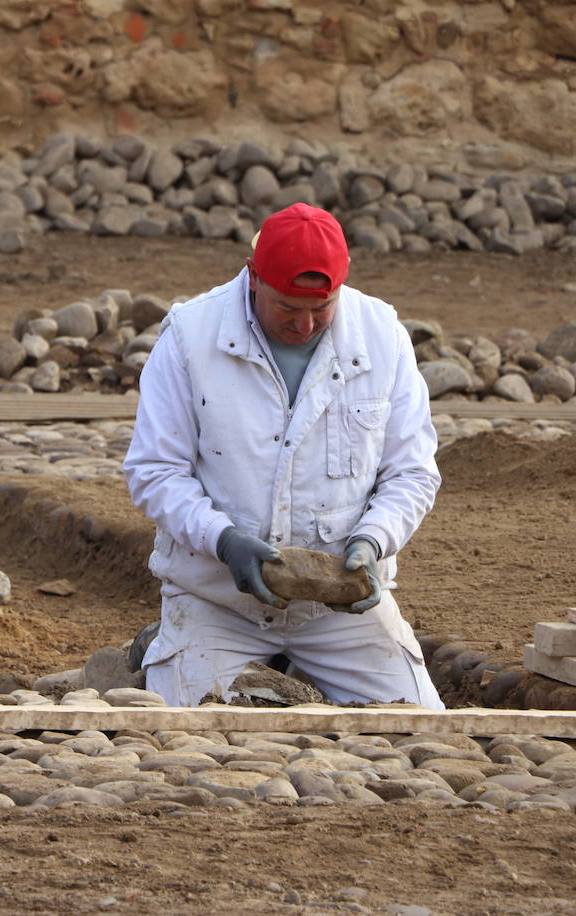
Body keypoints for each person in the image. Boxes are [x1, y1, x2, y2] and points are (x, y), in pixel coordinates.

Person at [122, 203, 443, 709]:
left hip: (340, 612)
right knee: (183, 735)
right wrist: (224, 542)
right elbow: (155, 471)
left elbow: (412, 471)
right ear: (254, 279)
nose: (305, 324)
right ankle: (167, 646)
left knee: (418, 723)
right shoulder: (190, 335)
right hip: (217, 601)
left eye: (323, 307)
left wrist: (373, 540)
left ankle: (285, 666)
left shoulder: (383, 336)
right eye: (288, 308)